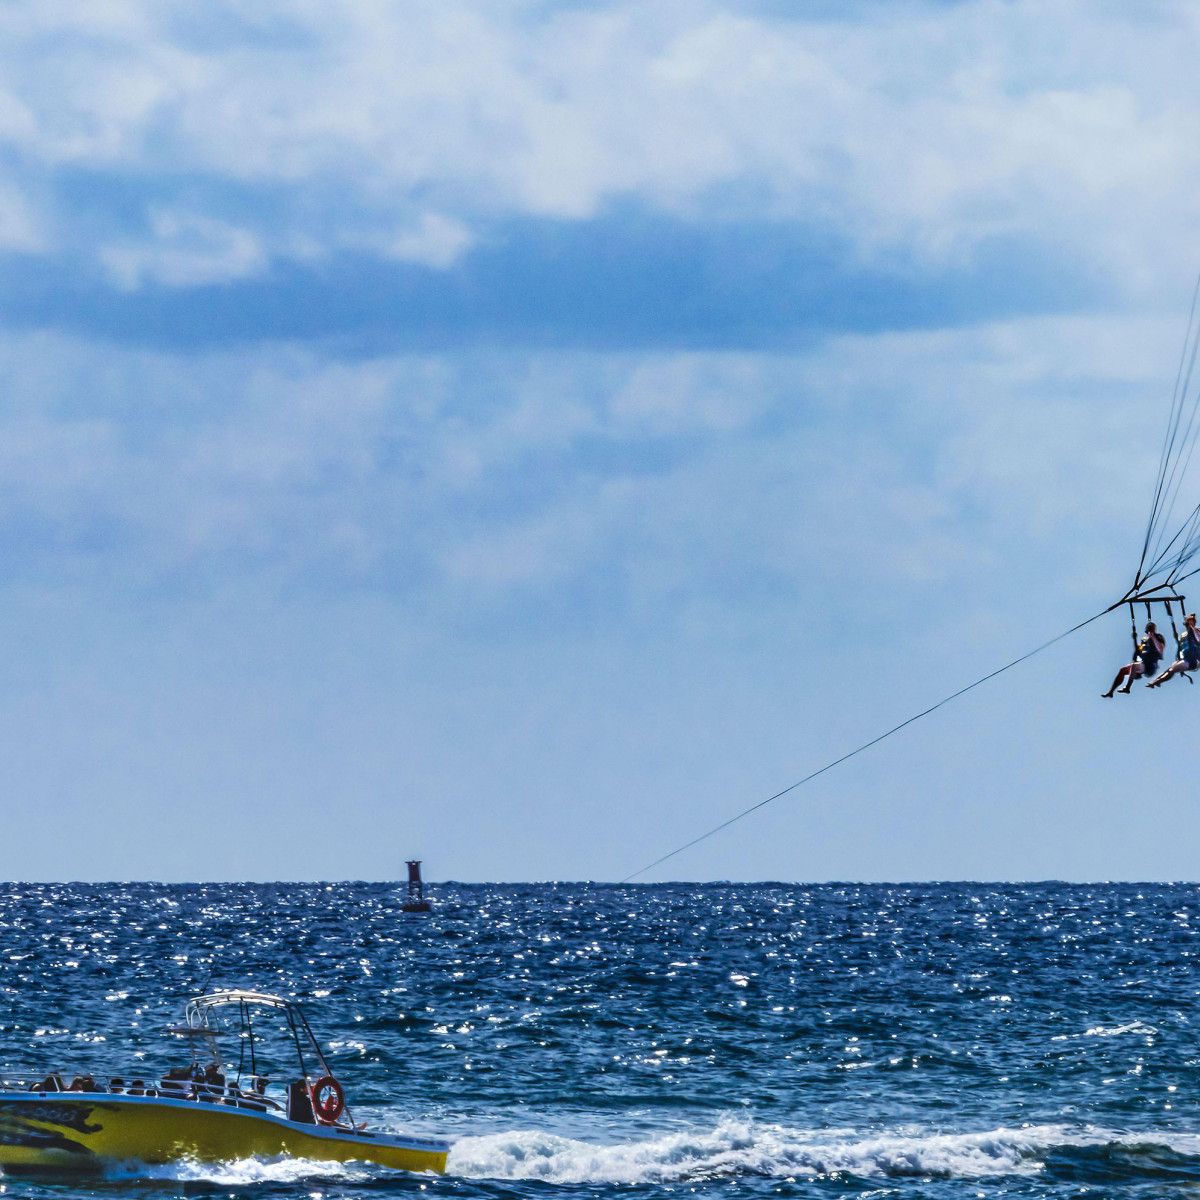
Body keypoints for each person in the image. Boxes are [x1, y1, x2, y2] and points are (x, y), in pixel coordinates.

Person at [1102, 621, 1166, 696]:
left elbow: (1160, 649)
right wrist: (1135, 639)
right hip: (1143, 663)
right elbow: (1138, 651)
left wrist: (1153, 637)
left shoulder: (1158, 637)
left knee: (1134, 666)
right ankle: (1111, 692)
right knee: (1123, 670)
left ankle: (1127, 688)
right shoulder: (1144, 641)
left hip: (1151, 666)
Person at [1147, 613, 1200, 688]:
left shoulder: (1197, 631)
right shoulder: (1183, 635)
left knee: (1172, 669)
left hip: (1194, 659)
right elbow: (1180, 649)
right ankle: (1157, 681)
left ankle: (1156, 682)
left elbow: (1198, 639)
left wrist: (1192, 627)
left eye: (1190, 623)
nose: (1188, 626)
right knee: (1170, 669)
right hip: (1186, 658)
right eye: (1187, 624)